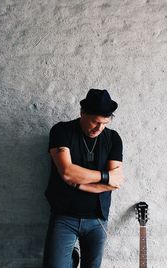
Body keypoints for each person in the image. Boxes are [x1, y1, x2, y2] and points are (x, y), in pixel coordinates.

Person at [43, 89, 125, 268]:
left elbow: (116, 181)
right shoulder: (61, 131)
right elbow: (67, 172)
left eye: (104, 123)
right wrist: (105, 176)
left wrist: (79, 184)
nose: (99, 128)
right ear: (82, 113)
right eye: (95, 122)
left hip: (97, 219)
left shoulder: (113, 138)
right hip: (64, 216)